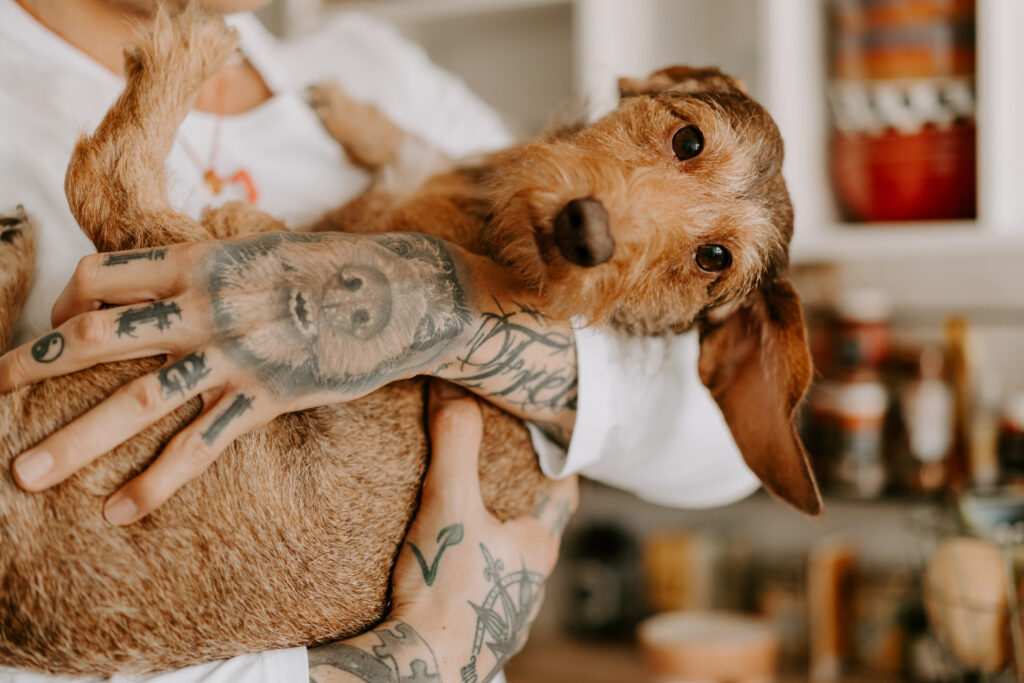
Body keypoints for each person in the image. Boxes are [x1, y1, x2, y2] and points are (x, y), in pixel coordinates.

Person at [0, 0, 759, 680]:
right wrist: (398, 667)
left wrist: (435, 302)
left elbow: (722, 452)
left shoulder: (369, 65)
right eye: (688, 140)